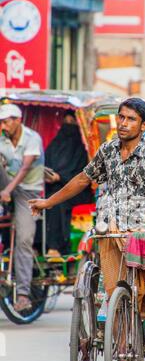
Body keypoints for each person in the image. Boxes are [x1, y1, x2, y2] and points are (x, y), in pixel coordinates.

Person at [29, 98, 145, 345]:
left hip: (141, 228)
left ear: (143, 125)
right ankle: (123, 353)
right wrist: (47, 202)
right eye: (121, 117)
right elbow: (82, 179)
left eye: (131, 119)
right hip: (109, 228)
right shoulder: (107, 150)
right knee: (114, 292)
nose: (123, 123)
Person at [0, 104, 44, 312]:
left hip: (28, 192)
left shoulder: (32, 138)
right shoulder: (2, 139)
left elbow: (25, 168)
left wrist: (8, 190)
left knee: (24, 239)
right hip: (5, 188)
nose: (3, 125)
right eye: (1, 122)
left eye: (7, 121)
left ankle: (24, 294)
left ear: (17, 120)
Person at [44, 110, 92, 256]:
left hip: (79, 191)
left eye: (72, 123)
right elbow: (46, 163)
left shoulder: (82, 148)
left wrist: (61, 177)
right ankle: (39, 245)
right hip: (54, 187)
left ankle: (56, 247)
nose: (68, 126)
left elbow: (82, 175)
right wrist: (49, 175)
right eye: (66, 123)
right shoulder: (55, 144)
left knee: (58, 200)